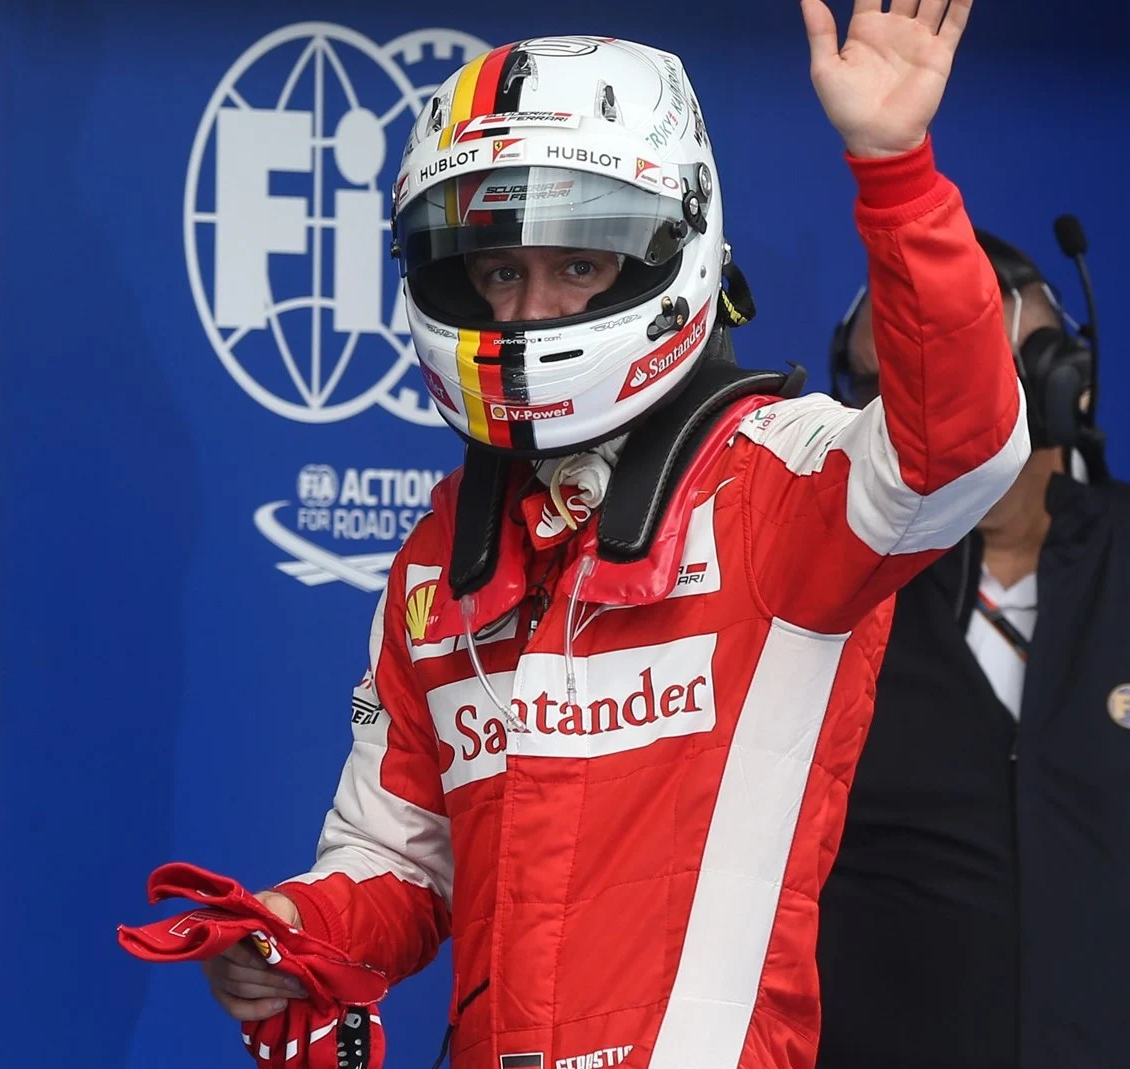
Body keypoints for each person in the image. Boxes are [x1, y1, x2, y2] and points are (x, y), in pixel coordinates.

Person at [194, 3, 1030, 1067]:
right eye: (498, 271)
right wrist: (293, 935)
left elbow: (962, 444)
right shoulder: (442, 554)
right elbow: (398, 859)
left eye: (577, 265)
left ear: (664, 251)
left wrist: (895, 167)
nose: (532, 308)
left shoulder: (777, 479)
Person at [818, 226, 1130, 1069]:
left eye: (950, 387)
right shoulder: (820, 600)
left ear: (1064, 385)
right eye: (886, 394)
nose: (916, 427)